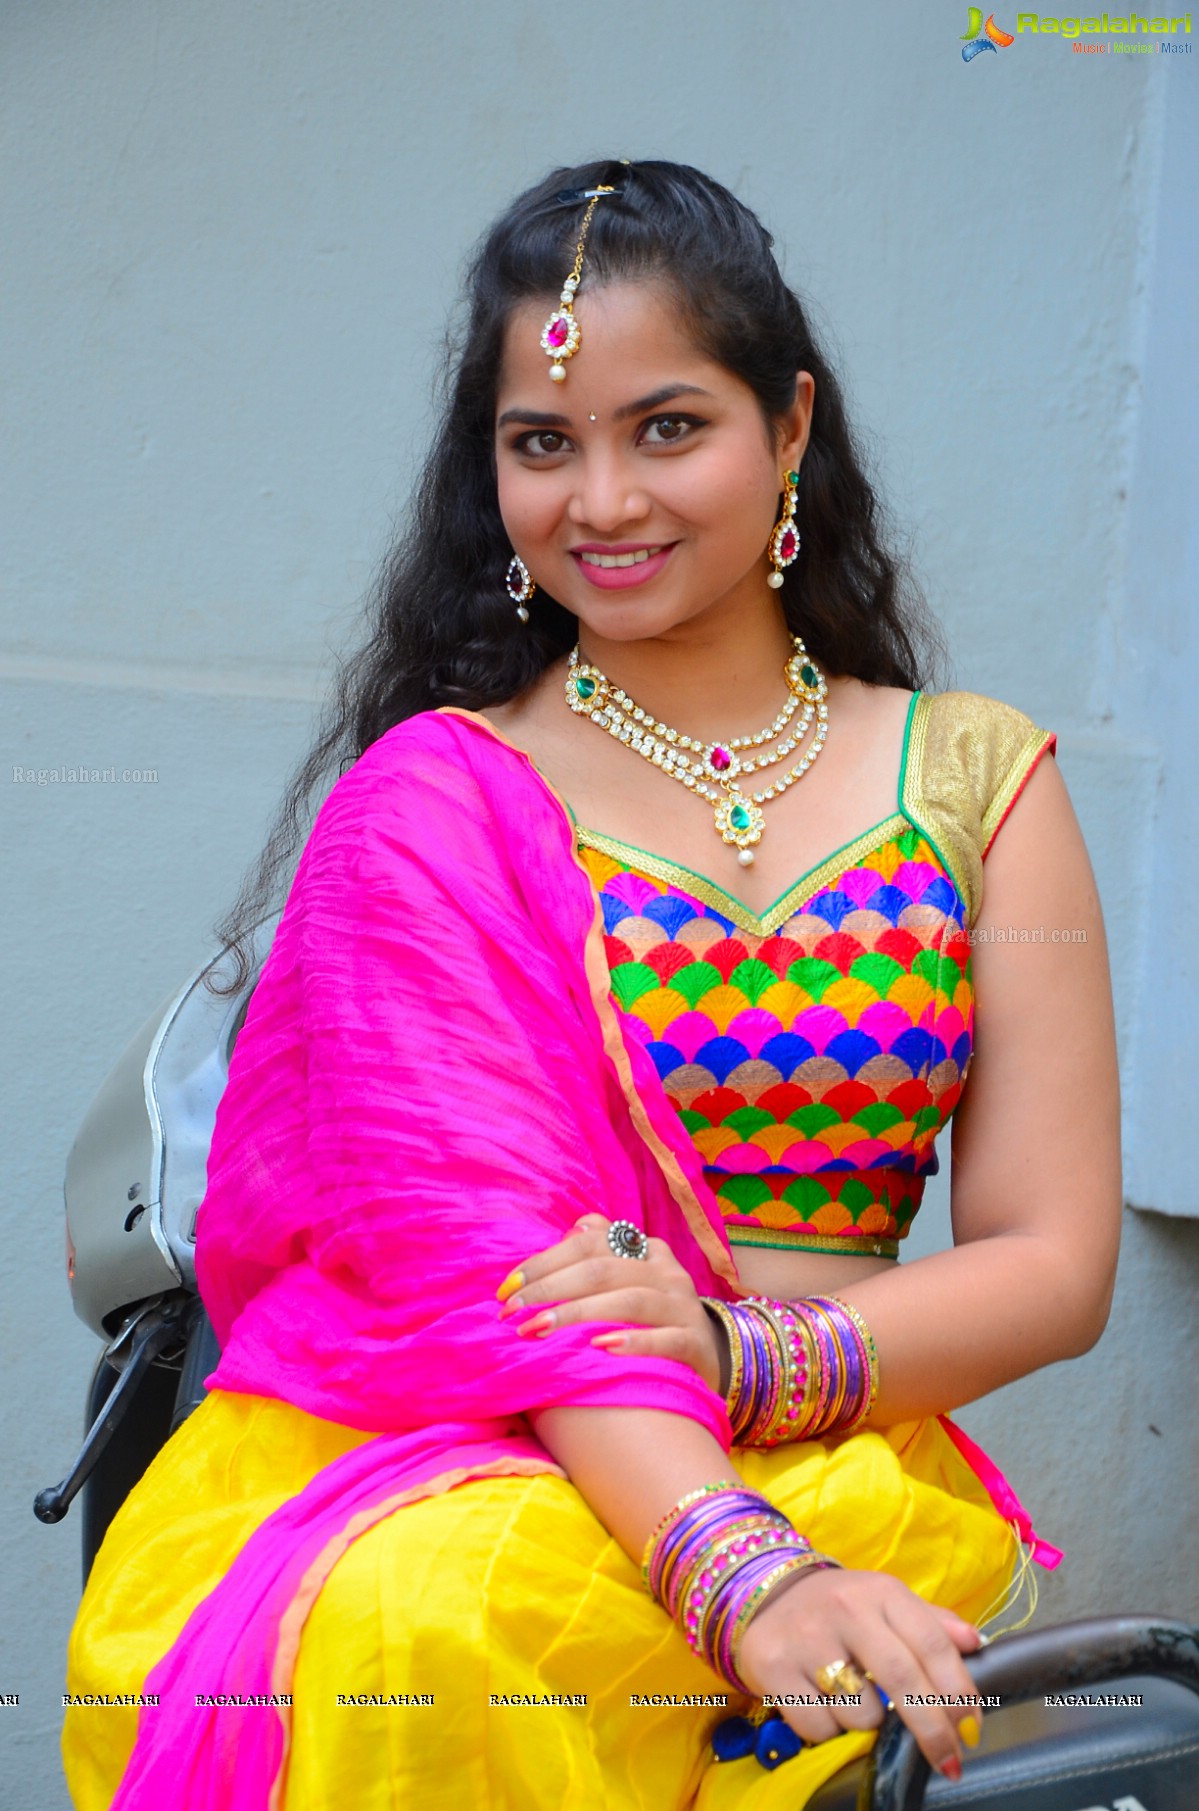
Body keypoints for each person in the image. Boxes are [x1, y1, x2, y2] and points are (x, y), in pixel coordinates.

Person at [62, 158, 1122, 1811]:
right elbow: (488, 1260)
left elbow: (1057, 1263)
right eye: (541, 444)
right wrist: (737, 1569)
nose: (603, 502)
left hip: (835, 1461)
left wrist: (729, 1350)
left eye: (667, 426)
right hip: (459, 1459)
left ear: (789, 428)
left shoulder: (973, 778)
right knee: (455, 1621)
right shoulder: (433, 804)